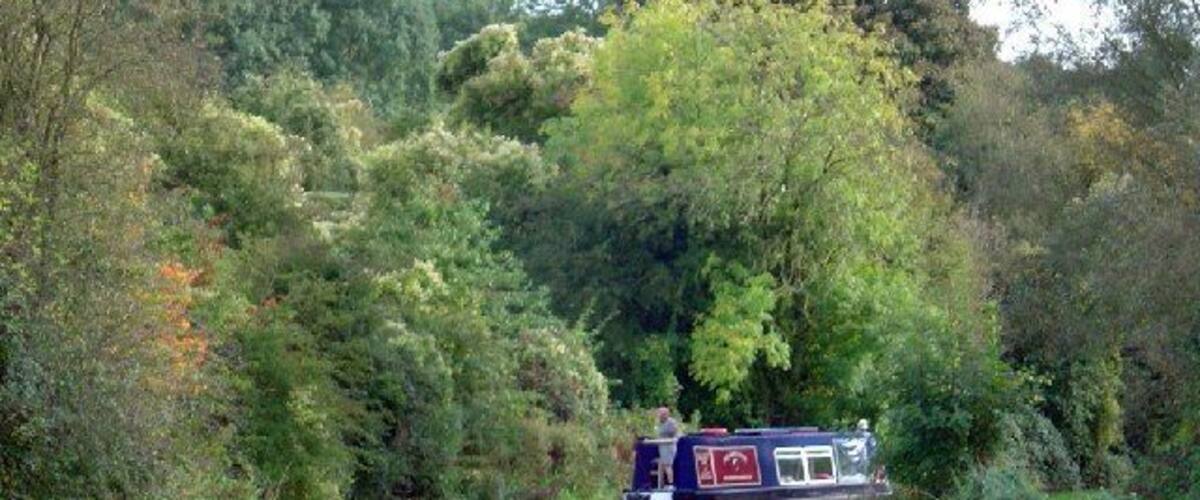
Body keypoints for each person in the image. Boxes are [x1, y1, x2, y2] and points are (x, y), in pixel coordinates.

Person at [655, 407, 680, 488]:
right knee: (662, 465)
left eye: (661, 414)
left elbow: (673, 433)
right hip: (662, 446)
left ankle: (671, 484)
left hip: (669, 446)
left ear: (666, 414)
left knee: (668, 465)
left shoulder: (671, 422)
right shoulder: (659, 423)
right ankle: (661, 485)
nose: (659, 416)